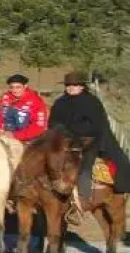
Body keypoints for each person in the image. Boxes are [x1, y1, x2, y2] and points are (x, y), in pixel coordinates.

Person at [48, 70, 130, 213]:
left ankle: (83, 197)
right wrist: (62, 133)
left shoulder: (92, 102)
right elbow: (53, 122)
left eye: (75, 85)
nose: (71, 87)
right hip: (63, 141)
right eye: (68, 85)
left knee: (84, 167)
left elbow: (96, 126)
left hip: (89, 141)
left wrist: (75, 133)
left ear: (82, 87)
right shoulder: (60, 102)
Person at [0, 73, 48, 143]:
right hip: (4, 135)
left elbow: (38, 127)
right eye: (12, 87)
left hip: (26, 139)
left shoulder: (36, 101)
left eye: (18, 87)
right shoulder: (6, 97)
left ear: (25, 86)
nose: (14, 90)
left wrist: (15, 135)